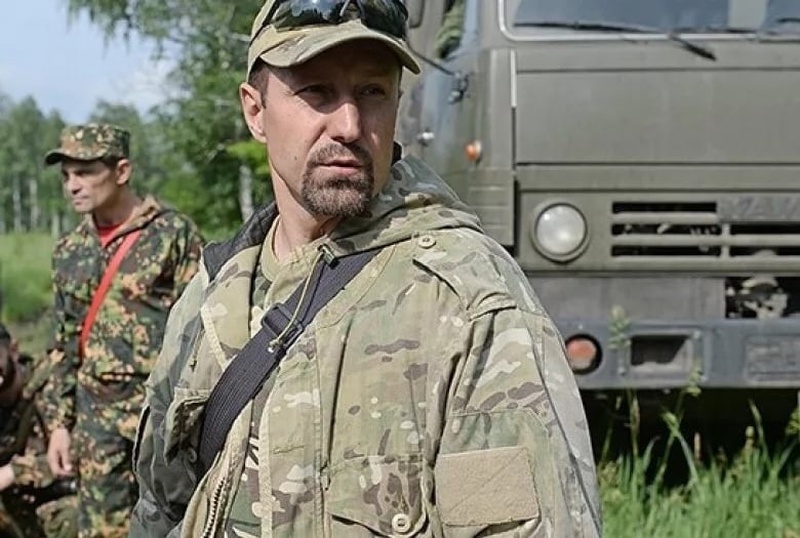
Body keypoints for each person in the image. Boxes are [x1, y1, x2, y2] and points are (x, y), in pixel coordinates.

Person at [131, 0, 602, 536]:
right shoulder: (214, 294)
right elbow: (158, 508)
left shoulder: (466, 299)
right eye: (317, 92)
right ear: (255, 112)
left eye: (372, 92)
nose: (350, 125)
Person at [40, 123, 204, 538]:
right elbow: (63, 343)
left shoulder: (172, 235)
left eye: (84, 172)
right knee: (101, 529)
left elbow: (202, 332)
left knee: (173, 524)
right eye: (66, 176)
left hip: (160, 415)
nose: (72, 185)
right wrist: (59, 425)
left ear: (122, 171)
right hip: (95, 419)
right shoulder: (70, 250)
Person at [0, 322, 78, 538]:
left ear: (13, 350)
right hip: (20, 517)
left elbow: (92, 452)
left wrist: (15, 472)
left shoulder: (55, 386)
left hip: (68, 498)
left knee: (72, 520)